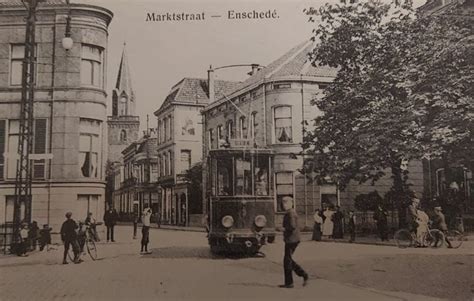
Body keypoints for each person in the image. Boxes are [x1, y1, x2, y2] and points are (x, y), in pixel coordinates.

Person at [279, 196, 309, 289]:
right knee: (288, 260)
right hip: (292, 239)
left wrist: (283, 229)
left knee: (287, 261)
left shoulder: (290, 213)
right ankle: (295, 279)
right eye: (283, 203)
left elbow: (292, 226)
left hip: (291, 239)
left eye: (285, 203)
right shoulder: (290, 212)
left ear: (290, 203)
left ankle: (299, 277)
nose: (284, 205)